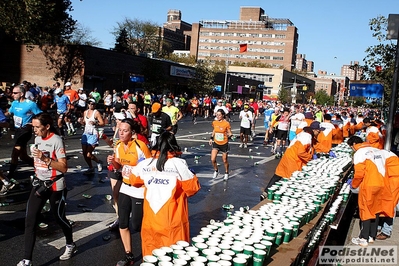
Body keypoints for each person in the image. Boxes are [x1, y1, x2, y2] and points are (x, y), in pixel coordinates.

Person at [129, 131, 200, 256]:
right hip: (173, 223)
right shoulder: (179, 164)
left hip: (150, 222)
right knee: (174, 257)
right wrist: (192, 174)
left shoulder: (145, 164)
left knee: (151, 257)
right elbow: (192, 189)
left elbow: (133, 180)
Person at [17, 113, 75, 266]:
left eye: (38, 127)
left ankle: (70, 244)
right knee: (30, 220)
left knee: (58, 218)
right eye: (33, 127)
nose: (34, 130)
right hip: (39, 184)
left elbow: (63, 167)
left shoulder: (56, 140)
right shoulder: (36, 140)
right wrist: (23, 154)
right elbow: (36, 163)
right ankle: (27, 260)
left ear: (47, 126)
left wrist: (45, 159)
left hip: (55, 185)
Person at [106, 118, 152, 266]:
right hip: (125, 186)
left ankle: (150, 251)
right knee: (123, 222)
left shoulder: (141, 146)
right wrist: (112, 161)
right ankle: (129, 256)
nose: (121, 133)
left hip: (139, 189)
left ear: (132, 133)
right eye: (120, 130)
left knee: (137, 225)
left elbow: (152, 167)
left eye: (125, 131)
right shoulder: (118, 146)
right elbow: (118, 167)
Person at [346, 136, 394, 246]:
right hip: (381, 184)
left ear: (353, 144)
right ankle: (372, 236)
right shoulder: (376, 150)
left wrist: (353, 185)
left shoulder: (359, 153)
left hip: (369, 185)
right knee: (376, 209)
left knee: (366, 210)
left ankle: (363, 238)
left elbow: (359, 174)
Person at [260, 121, 325, 201]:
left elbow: (315, 144)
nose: (319, 133)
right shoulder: (307, 137)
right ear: (314, 130)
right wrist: (311, 157)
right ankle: (283, 199)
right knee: (291, 180)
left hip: (288, 156)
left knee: (278, 175)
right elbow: (301, 152)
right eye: (319, 131)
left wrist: (326, 151)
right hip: (294, 160)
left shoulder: (305, 134)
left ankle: (266, 192)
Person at [5, 84, 42, 180]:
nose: (12, 94)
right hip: (17, 130)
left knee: (15, 152)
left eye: (15, 93)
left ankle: (10, 175)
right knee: (23, 157)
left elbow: (41, 115)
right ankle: (40, 167)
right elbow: (9, 113)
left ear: (21, 94)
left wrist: (32, 124)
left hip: (25, 131)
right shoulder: (14, 103)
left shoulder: (30, 104)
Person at [78, 99, 105, 174]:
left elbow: (102, 123)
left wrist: (95, 122)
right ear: (88, 104)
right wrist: (81, 122)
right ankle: (90, 167)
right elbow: (84, 123)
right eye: (90, 104)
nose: (91, 105)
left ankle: (98, 162)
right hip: (86, 133)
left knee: (88, 154)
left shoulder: (96, 113)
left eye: (93, 104)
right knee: (84, 153)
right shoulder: (85, 112)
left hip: (93, 134)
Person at [209, 109, 233, 181]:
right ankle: (216, 170)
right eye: (217, 115)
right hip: (216, 143)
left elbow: (229, 132)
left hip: (224, 143)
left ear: (223, 115)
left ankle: (226, 172)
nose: (218, 116)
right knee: (212, 159)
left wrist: (231, 135)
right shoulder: (214, 122)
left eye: (219, 115)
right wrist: (211, 138)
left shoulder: (226, 123)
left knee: (225, 160)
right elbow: (214, 130)